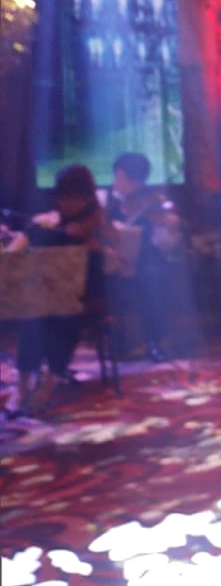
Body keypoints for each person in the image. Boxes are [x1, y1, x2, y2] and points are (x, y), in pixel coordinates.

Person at [5, 165, 111, 417]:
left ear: (86, 198)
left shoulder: (98, 225)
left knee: (65, 317)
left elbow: (114, 266)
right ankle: (22, 385)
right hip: (46, 295)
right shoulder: (49, 223)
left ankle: (49, 384)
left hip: (85, 297)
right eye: (63, 197)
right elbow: (12, 256)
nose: (67, 204)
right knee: (33, 316)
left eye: (73, 198)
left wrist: (100, 248)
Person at [100, 152, 181, 360]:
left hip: (144, 262)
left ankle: (156, 341)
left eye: (122, 177)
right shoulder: (106, 203)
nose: (118, 182)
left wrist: (167, 225)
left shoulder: (153, 204)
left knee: (150, 278)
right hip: (114, 263)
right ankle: (117, 342)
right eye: (118, 176)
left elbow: (166, 242)